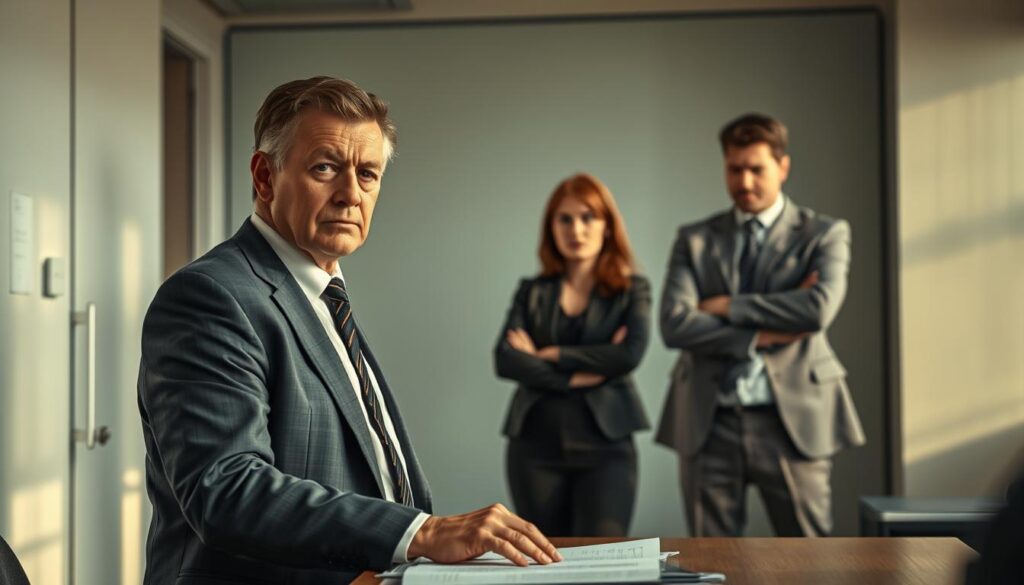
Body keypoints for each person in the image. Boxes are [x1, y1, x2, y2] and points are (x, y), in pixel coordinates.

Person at [137, 76, 560, 585]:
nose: (350, 195)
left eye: (368, 174)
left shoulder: (322, 292)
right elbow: (226, 489)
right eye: (325, 168)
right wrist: (420, 532)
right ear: (265, 177)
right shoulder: (211, 297)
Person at [655, 113, 865, 537]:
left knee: (810, 559)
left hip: (793, 419)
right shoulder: (694, 239)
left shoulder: (823, 234)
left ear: (782, 167)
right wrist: (760, 333)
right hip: (707, 418)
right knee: (710, 562)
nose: (745, 182)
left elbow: (816, 311)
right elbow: (675, 325)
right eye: (735, 169)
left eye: (757, 169)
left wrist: (726, 306)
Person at [494, 173, 651, 537]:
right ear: (551, 227)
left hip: (606, 447)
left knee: (604, 559)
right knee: (546, 559)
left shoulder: (632, 290)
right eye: (564, 218)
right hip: (534, 447)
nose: (575, 229)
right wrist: (578, 374)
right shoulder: (531, 291)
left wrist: (551, 354)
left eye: (588, 217)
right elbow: (505, 359)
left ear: (608, 226)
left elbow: (627, 355)